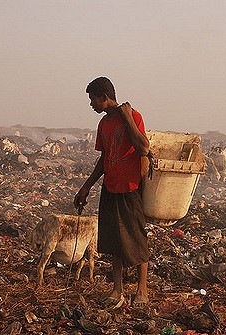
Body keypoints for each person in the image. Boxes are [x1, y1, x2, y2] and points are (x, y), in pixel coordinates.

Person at [74, 77, 151, 308]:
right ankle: (117, 290)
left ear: (104, 97)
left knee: (137, 238)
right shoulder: (103, 124)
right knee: (113, 240)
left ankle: (142, 290)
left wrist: (127, 118)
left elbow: (144, 148)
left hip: (130, 188)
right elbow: (104, 159)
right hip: (110, 187)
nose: (91, 105)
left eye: (92, 99)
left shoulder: (133, 116)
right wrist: (86, 186)